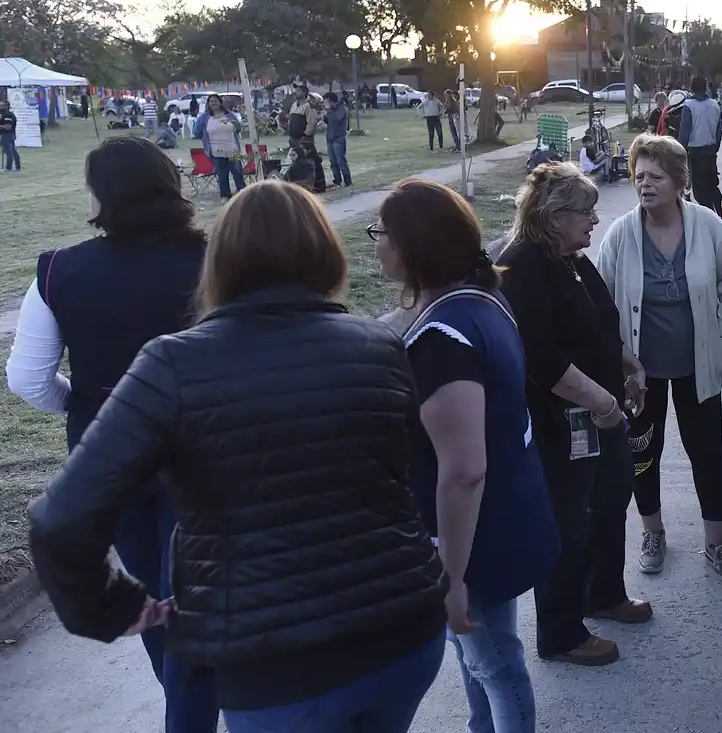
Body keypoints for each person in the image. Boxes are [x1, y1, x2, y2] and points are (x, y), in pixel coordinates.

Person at [28, 181, 448, 733]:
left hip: (278, 664)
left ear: (218, 261)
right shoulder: (376, 343)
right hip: (405, 631)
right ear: (326, 252)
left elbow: (60, 520)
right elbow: (404, 471)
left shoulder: (171, 364)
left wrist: (111, 609)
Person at [6, 136, 217, 733]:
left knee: (155, 599)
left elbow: (26, 379)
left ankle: (186, 708)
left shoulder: (59, 269)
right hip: (202, 452)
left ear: (99, 196)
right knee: (205, 594)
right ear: (172, 184)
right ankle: (196, 710)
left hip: (110, 459)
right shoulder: (217, 255)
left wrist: (91, 408)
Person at [374, 179, 559, 733]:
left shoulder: (442, 336)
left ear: (413, 246)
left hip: (474, 538)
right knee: (480, 659)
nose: (376, 244)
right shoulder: (483, 300)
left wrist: (451, 577)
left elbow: (463, 469)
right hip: (506, 513)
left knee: (495, 663)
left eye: (381, 233)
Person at [497, 163, 651, 667]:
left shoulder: (572, 258)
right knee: (568, 521)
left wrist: (627, 364)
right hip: (560, 418)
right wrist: (600, 401)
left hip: (598, 408)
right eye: (585, 212)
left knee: (611, 497)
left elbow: (599, 322)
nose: (593, 220)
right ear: (553, 215)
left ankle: (603, 593)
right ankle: (561, 633)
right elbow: (541, 358)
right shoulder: (522, 267)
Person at [596, 135, 722, 582]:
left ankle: (717, 543)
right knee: (643, 453)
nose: (645, 184)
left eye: (656, 176)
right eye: (639, 175)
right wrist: (619, 362)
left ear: (679, 180)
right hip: (638, 373)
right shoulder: (621, 233)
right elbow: (601, 302)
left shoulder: (707, 225)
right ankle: (653, 533)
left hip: (698, 367)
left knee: (707, 454)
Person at [678, 76, 722, 218]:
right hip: (710, 151)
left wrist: (680, 150)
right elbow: (718, 131)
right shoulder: (715, 104)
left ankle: (711, 218)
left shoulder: (689, 105)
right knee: (712, 186)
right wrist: (715, 149)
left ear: (691, 88)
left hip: (696, 153)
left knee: (699, 191)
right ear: (706, 87)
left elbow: (685, 131)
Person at [192, 94, 245, 200]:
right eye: (211, 101)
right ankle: (225, 196)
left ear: (220, 103)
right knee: (222, 175)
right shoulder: (204, 118)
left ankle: (243, 193)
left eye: (216, 101)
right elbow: (196, 132)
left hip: (232, 149)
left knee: (237, 171)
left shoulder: (229, 115)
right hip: (216, 152)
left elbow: (238, 128)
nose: (213, 103)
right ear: (208, 104)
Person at [325, 91, 352, 188]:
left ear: (329, 100)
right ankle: (337, 180)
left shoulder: (341, 109)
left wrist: (329, 111)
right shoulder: (331, 110)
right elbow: (328, 121)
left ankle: (347, 180)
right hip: (330, 137)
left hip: (338, 137)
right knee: (333, 161)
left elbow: (336, 119)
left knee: (340, 160)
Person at [0, 98, 19, 172]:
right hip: (8, 135)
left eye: (1, 105)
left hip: (7, 135)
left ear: (6, 106)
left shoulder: (8, 115)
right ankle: (18, 167)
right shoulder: (4, 114)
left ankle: (8, 168)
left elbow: (8, 127)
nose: (0, 107)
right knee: (13, 151)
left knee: (9, 152)